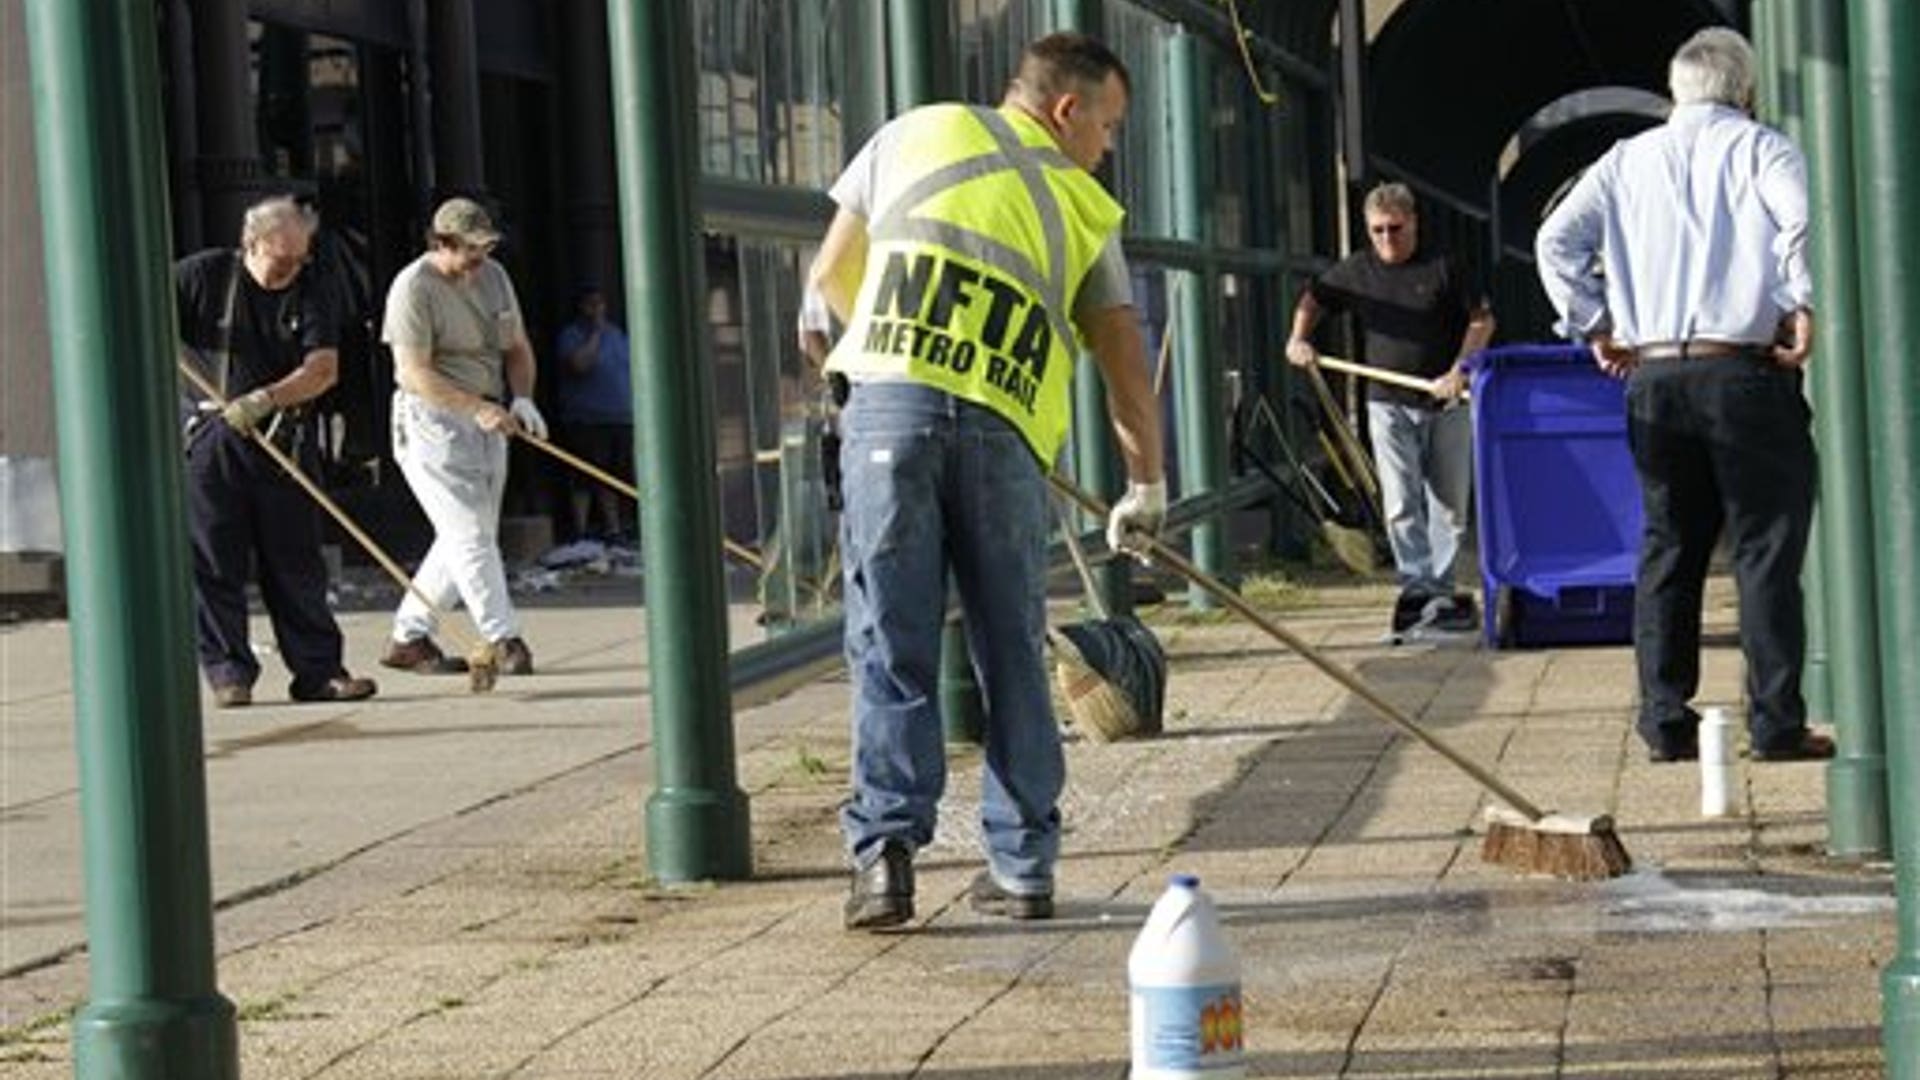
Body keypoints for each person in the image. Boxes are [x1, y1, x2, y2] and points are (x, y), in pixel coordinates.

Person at [810, 31, 1166, 931]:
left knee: (890, 644)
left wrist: (892, 360)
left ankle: (885, 864)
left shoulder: (909, 133)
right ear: (1066, 109)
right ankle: (1021, 869)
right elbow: (1122, 348)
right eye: (1110, 127)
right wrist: (1145, 481)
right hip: (1004, 434)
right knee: (1010, 647)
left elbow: (826, 284)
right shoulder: (1082, 207)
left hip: (888, 416)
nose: (1108, 149)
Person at [1535, 27, 1829, 764]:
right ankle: (1774, 722)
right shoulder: (1764, 149)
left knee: (1669, 547)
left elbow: (1555, 242)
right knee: (1764, 549)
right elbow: (1801, 223)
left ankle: (1666, 718)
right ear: (1746, 89)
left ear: (1676, 91)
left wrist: (1596, 323)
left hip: (1655, 376)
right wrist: (1801, 301)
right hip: (1744, 370)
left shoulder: (1626, 160)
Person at [176, 195, 378, 708]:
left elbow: (323, 369)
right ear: (251, 244)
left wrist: (265, 398)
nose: (289, 269)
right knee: (213, 559)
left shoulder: (312, 290)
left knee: (296, 561)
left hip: (281, 435)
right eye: (280, 258)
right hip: (213, 436)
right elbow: (141, 316)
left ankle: (318, 671)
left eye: (298, 259)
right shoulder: (204, 277)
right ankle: (228, 671)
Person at [1285, 182, 1495, 641]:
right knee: (1401, 500)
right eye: (1377, 231)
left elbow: (1481, 319)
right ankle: (1417, 589)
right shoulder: (1357, 271)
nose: (1386, 239)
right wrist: (1299, 339)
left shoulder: (1444, 267)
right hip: (1387, 403)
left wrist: (1460, 370)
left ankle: (1442, 588)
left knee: (1450, 503)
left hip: (1447, 401)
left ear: (1413, 222)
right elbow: (1313, 298)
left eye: (1395, 229)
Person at [378, 197, 545, 678]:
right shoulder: (413, 287)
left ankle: (408, 636)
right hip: (433, 419)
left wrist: (522, 398)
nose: (479, 259)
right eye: (470, 249)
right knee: (470, 534)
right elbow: (412, 373)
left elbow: (516, 346)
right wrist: (476, 408)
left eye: (486, 246)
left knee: (466, 536)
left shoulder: (495, 277)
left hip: (489, 412)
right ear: (441, 243)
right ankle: (503, 637)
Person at [552, 285, 635, 543]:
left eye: (600, 304)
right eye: (591, 305)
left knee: (613, 476)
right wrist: (596, 333)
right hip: (586, 418)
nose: (597, 310)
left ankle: (614, 528)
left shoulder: (618, 335)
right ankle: (581, 528)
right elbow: (580, 364)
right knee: (584, 476)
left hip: (619, 415)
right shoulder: (572, 335)